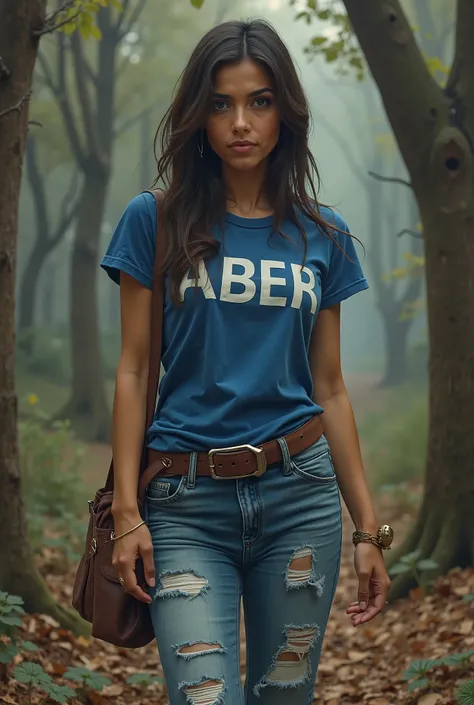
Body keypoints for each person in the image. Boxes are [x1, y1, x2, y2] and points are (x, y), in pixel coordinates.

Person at [100, 18, 392, 705]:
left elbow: (331, 387)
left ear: (284, 111)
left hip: (300, 500)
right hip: (185, 502)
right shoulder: (156, 219)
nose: (240, 122)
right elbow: (134, 370)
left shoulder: (323, 235)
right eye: (221, 103)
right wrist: (127, 512)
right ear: (197, 115)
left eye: (259, 101)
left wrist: (367, 530)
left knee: (282, 696)